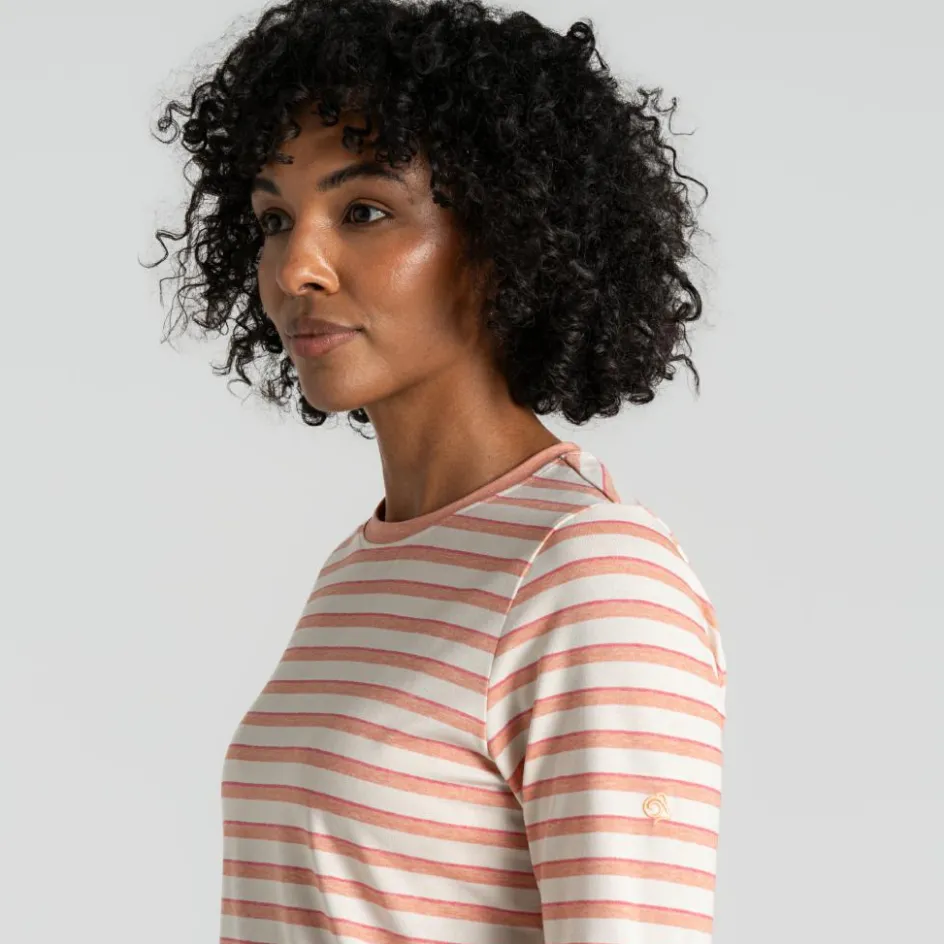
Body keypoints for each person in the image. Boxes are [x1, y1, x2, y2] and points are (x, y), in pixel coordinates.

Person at [146, 1, 727, 941]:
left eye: (364, 212)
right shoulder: (357, 569)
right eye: (274, 219)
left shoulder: (591, 576)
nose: (296, 268)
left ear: (504, 237)